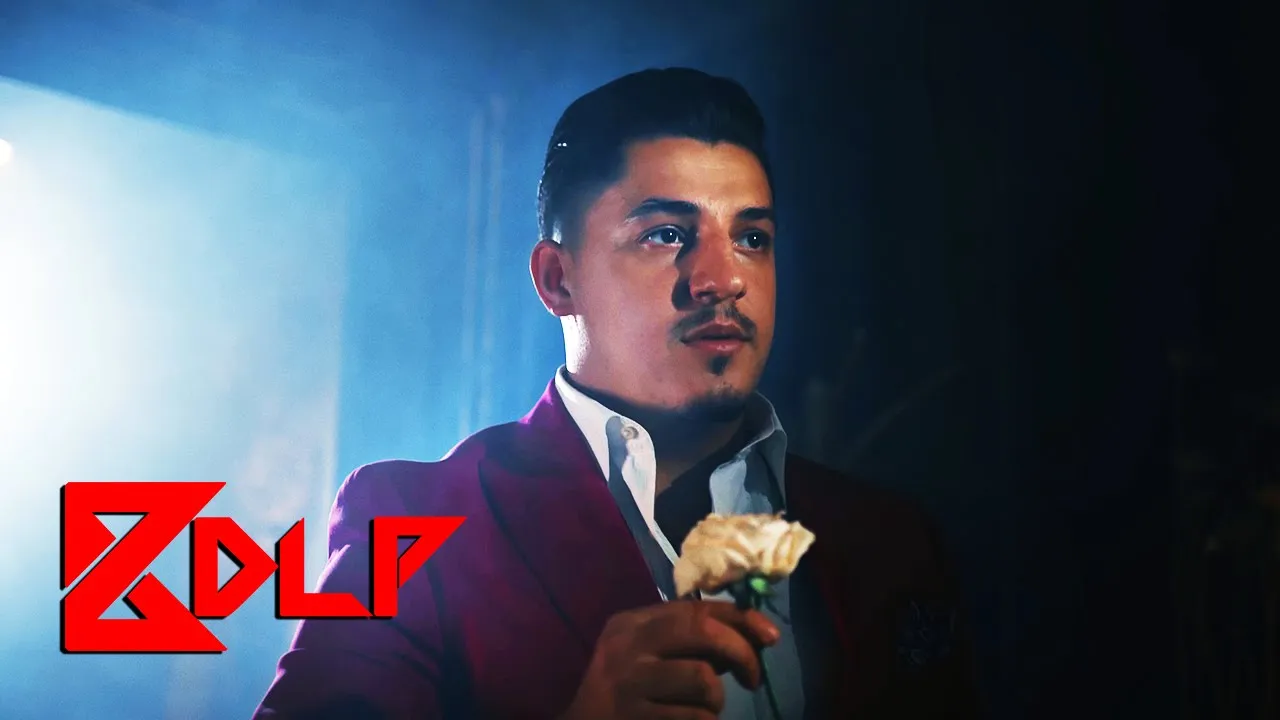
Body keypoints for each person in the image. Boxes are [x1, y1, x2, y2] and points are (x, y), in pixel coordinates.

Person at [254, 68, 981, 719]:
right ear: (557, 280)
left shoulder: (888, 539)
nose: (723, 278)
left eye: (752, 238)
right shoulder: (409, 524)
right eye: (667, 234)